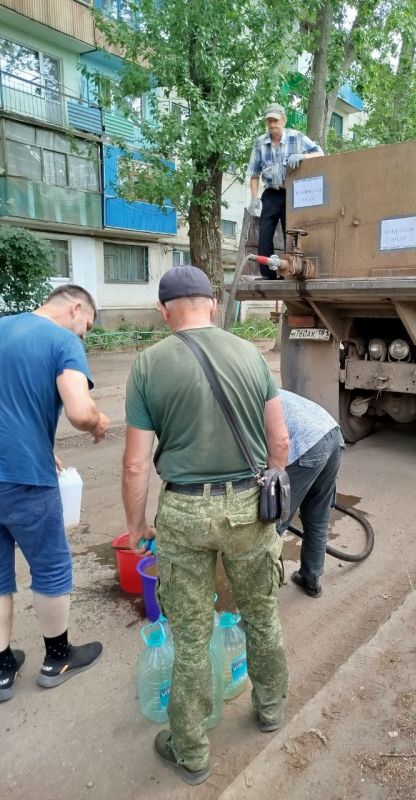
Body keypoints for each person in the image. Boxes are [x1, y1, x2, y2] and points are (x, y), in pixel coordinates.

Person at [122, 265, 289, 786]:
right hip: (246, 506)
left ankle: (190, 751)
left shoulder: (148, 364)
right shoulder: (250, 355)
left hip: (184, 513)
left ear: (164, 311)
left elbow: (133, 464)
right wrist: (272, 488)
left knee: (192, 638)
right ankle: (269, 710)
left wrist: (136, 526)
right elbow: (279, 443)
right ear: (212, 305)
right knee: (261, 616)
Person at [0, 285, 109, 702]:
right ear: (75, 308)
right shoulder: (62, 341)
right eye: (87, 328)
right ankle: (57, 658)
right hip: (26, 480)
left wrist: (40, 444)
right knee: (51, 567)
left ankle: (3, 668)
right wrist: (98, 422)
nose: (83, 337)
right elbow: (80, 411)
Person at [277, 390, 345, 598]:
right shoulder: (265, 388)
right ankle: (311, 579)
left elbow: (275, 447)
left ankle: (266, 588)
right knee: (318, 516)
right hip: (332, 434)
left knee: (274, 520)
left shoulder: (244, 402)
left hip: (307, 444)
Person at [248, 102, 323, 278]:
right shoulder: (260, 143)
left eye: (275, 120)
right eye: (269, 121)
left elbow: (320, 153)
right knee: (265, 233)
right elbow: (254, 174)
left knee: (291, 231)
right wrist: (253, 198)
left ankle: (290, 270)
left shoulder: (296, 137)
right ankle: (268, 273)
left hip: (292, 195)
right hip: (271, 194)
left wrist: (303, 156)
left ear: (284, 120)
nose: (272, 125)